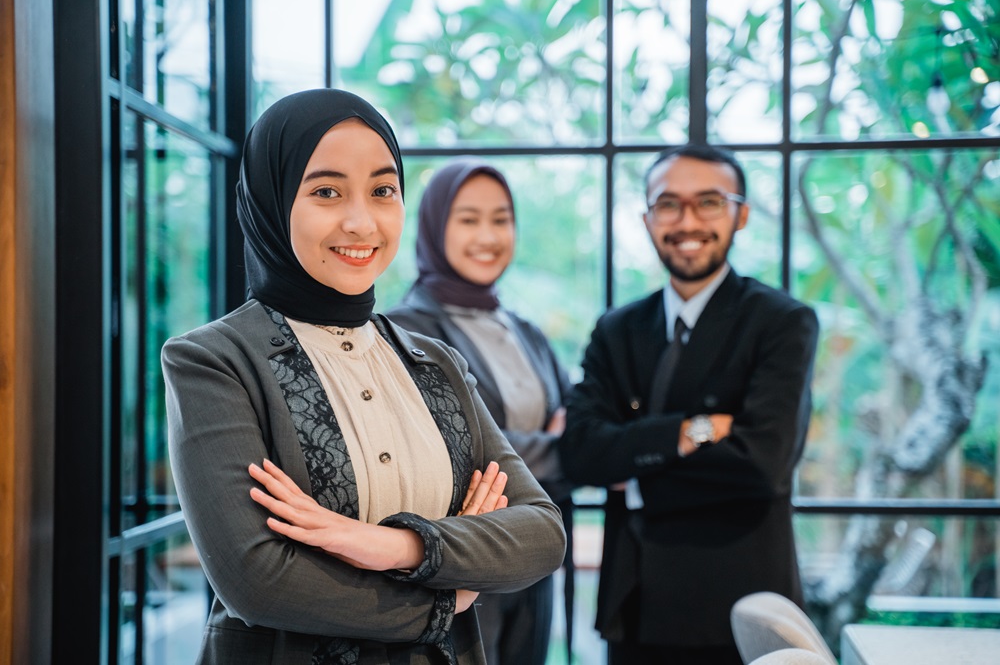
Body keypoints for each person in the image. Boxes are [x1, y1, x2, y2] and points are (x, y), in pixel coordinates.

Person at [161, 88, 566, 665]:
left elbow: (542, 533)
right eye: (326, 191)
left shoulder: (435, 360)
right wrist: (451, 596)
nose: (360, 221)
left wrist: (398, 545)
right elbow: (257, 582)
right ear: (272, 201)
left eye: (383, 191)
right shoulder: (214, 360)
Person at [557, 144, 819, 664]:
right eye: (668, 204)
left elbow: (761, 464)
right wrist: (693, 431)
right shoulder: (617, 328)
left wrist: (631, 470)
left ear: (740, 214)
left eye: (709, 202)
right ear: (648, 218)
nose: (687, 221)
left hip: (734, 608)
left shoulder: (781, 321)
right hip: (632, 604)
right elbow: (580, 454)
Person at [386, 158, 574, 665]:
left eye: (501, 218)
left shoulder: (524, 330)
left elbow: (572, 413)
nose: (488, 235)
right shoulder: (407, 331)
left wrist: (537, 443)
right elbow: (465, 453)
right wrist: (561, 448)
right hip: (460, 562)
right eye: (468, 219)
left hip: (531, 559)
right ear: (433, 227)